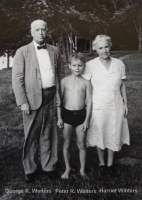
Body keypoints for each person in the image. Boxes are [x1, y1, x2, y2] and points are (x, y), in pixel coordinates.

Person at [12, 19, 61, 183]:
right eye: (37, 30)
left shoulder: (54, 50)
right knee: (31, 135)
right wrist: (23, 101)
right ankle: (30, 169)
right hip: (32, 98)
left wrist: (58, 98)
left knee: (49, 133)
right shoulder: (22, 52)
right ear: (31, 32)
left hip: (51, 96)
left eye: (43, 29)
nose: (41, 32)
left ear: (47, 31)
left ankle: (49, 166)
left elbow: (58, 75)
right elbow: (17, 79)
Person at [83, 35, 130, 172]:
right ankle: (101, 162)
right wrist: (87, 105)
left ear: (110, 47)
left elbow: (122, 86)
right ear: (95, 49)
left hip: (116, 104)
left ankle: (110, 163)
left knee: (113, 130)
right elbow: (87, 88)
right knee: (99, 130)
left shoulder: (119, 63)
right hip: (98, 104)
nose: (104, 50)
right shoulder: (90, 65)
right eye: (100, 48)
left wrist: (125, 104)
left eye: (106, 47)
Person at [57, 53, 92, 179]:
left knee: (81, 144)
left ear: (84, 66)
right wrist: (60, 118)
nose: (77, 68)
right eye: (74, 65)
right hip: (67, 116)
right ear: (70, 66)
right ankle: (67, 168)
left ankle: (82, 170)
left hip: (81, 116)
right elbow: (59, 102)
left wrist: (87, 120)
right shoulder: (64, 81)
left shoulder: (86, 82)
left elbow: (89, 102)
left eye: (80, 65)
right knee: (66, 144)